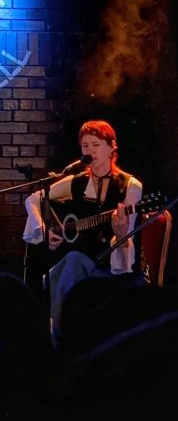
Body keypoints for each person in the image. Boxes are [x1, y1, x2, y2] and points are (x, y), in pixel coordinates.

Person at [23, 119, 143, 343]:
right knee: (72, 260)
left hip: (112, 264)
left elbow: (128, 238)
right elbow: (34, 199)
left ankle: (60, 336)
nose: (90, 151)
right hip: (80, 260)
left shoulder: (130, 185)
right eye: (85, 146)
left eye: (96, 145)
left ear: (111, 147)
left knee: (72, 262)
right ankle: (61, 334)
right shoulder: (75, 182)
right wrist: (43, 229)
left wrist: (121, 233)